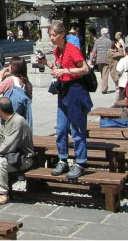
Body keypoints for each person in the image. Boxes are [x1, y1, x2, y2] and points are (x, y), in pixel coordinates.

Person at [40, 21, 93, 181]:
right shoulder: (58, 51)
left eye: (54, 35)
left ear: (63, 34)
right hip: (63, 90)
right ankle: (63, 159)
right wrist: (47, 64)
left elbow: (85, 69)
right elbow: (59, 68)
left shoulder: (72, 49)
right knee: (61, 128)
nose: (51, 38)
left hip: (75, 90)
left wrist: (66, 70)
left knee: (77, 128)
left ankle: (80, 162)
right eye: (50, 35)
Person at [0, 56, 33, 129]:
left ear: (12, 67)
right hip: (21, 116)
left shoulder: (10, 80)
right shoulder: (27, 83)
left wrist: (0, 78)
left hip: (9, 115)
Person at [91, 27, 113, 93]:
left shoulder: (97, 41)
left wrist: (91, 59)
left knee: (102, 73)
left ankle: (104, 86)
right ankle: (104, 88)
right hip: (106, 59)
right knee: (105, 74)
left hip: (99, 60)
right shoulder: (109, 41)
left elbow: (94, 50)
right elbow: (110, 50)